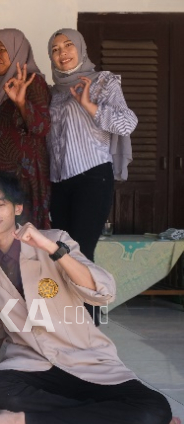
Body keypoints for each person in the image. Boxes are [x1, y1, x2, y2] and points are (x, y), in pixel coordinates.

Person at [0, 171, 180, 424]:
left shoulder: (56, 238)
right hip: (30, 363)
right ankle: (109, 416)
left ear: (17, 207)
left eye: (0, 204)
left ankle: (20, 419)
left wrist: (52, 249)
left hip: (84, 357)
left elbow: (102, 291)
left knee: (154, 411)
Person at [47, 28, 138, 261]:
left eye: (68, 45)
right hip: (59, 182)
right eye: (55, 49)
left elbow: (127, 123)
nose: (62, 53)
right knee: (60, 254)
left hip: (92, 178)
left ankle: (87, 299)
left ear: (80, 48)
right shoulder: (53, 92)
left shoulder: (103, 82)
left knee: (80, 254)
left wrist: (88, 105)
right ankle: (68, 300)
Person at [0, 29, 51, 229]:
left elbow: (42, 127)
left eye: (2, 50)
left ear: (17, 50)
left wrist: (22, 103)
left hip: (26, 176)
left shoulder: (33, 81)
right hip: (3, 175)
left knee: (27, 236)